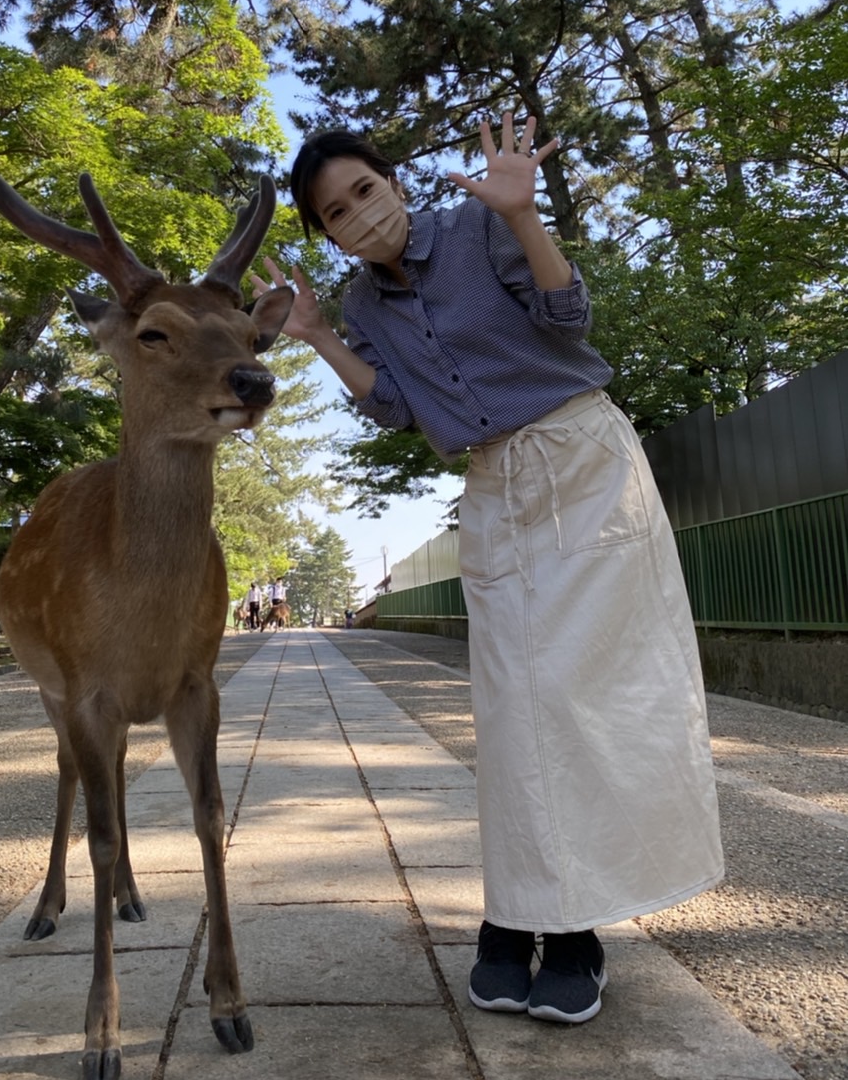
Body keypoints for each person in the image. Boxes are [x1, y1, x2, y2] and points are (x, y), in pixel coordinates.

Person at [251, 119, 723, 1026]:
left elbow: (566, 318)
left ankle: (573, 931)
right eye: (335, 212)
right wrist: (316, 336)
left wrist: (524, 217)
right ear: (328, 234)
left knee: (582, 698)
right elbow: (395, 406)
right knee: (512, 710)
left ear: (394, 181)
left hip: (584, 464)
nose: (359, 214)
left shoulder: (479, 226)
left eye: (364, 190)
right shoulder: (361, 304)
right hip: (495, 486)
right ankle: (515, 913)